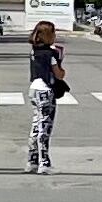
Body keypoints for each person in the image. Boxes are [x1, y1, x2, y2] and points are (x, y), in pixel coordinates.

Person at [27, 20, 67, 175]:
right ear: (48, 35)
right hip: (45, 91)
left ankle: (32, 160)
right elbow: (59, 74)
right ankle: (44, 162)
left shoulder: (34, 51)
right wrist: (60, 62)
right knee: (45, 128)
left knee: (36, 126)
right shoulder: (51, 54)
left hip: (34, 89)